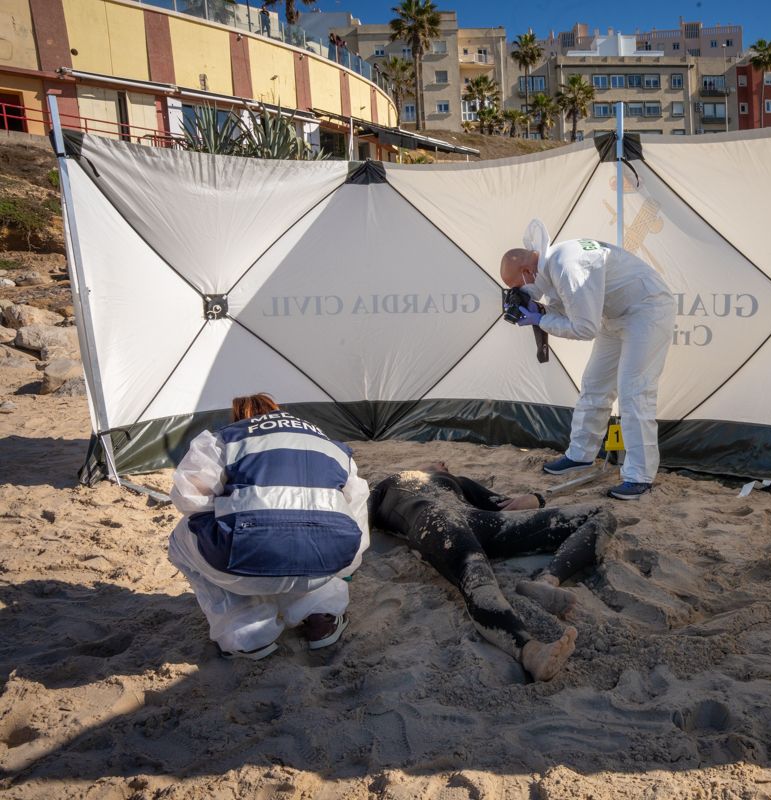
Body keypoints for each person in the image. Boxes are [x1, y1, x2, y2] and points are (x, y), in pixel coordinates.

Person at [368, 462, 616, 681]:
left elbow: (503, 505)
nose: (443, 463)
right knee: (475, 573)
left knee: (600, 514)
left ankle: (548, 580)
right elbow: (359, 515)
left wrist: (535, 499)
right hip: (433, 520)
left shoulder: (458, 482)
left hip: (480, 520)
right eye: (438, 463)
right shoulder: (390, 483)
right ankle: (529, 650)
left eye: (445, 466)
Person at [167, 394, 370, 660]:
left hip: (245, 559)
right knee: (319, 529)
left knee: (181, 537)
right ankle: (322, 613)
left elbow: (188, 497)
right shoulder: (334, 447)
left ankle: (247, 633)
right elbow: (357, 511)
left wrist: (232, 510)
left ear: (240, 416)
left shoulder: (224, 439)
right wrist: (344, 570)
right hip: (325, 562)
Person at [500, 219, 676, 501]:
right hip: (614, 315)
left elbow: (583, 328)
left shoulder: (568, 266)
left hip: (647, 309)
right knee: (594, 385)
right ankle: (580, 455)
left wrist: (540, 319)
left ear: (525, 271)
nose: (518, 292)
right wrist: (542, 311)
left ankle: (639, 476)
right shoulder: (549, 265)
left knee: (635, 391)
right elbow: (568, 309)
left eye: (516, 287)